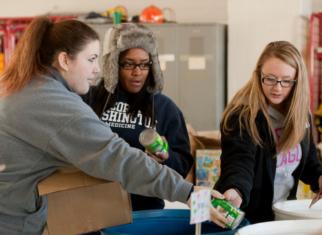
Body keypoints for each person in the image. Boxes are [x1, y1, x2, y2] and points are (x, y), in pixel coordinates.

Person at [0, 17, 227, 234]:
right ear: (64, 60)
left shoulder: (23, 85)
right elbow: (119, 157)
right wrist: (189, 193)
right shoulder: (55, 104)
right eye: (91, 59)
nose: (97, 69)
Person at [214, 41, 322, 223]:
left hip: (284, 216)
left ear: (297, 81)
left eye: (286, 81)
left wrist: (320, 176)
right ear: (258, 75)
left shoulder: (301, 115)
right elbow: (239, 162)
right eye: (270, 79)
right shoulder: (242, 116)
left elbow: (308, 159)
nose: (277, 88)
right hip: (249, 219)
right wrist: (235, 189)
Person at [84, 23, 193, 211]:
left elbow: (182, 166)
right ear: (114, 64)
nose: (137, 72)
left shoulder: (164, 108)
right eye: (129, 64)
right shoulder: (91, 99)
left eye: (144, 64)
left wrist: (166, 158)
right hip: (95, 209)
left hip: (145, 210)